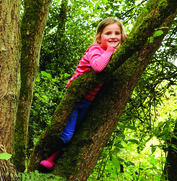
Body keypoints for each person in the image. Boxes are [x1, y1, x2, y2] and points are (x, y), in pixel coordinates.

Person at [39, 17, 126, 173]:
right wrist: (110, 50)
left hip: (87, 102)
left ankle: (51, 159)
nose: (113, 36)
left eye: (117, 33)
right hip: (76, 98)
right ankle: (44, 151)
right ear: (99, 38)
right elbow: (98, 67)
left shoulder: (111, 54)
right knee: (66, 136)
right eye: (108, 33)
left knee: (75, 134)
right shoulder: (95, 49)